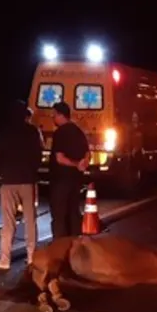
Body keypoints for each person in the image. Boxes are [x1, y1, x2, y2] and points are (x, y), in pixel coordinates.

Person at [0, 100, 44, 271]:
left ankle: (4, 261)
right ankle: (32, 257)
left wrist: (2, 170)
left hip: (9, 181)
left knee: (8, 222)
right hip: (28, 180)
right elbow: (39, 154)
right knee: (30, 220)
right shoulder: (33, 132)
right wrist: (31, 170)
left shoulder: (4, 133)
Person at [48, 101, 90, 238]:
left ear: (61, 115)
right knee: (73, 212)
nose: (52, 118)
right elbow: (87, 152)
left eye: (54, 115)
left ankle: (60, 247)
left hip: (60, 180)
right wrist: (83, 163)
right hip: (75, 180)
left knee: (59, 215)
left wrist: (76, 164)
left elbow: (60, 158)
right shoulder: (78, 131)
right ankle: (76, 245)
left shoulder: (60, 133)